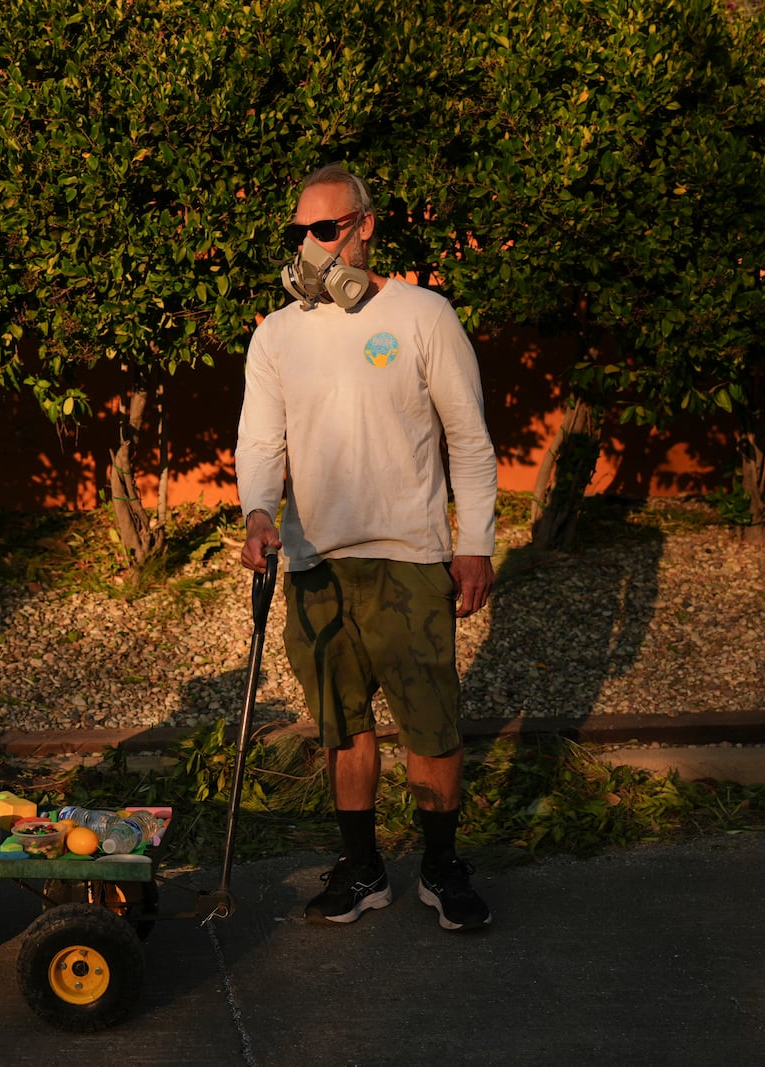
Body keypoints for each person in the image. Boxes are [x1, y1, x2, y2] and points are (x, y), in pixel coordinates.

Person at [235, 163, 498, 930]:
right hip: (316, 562)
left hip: (411, 559)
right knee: (342, 723)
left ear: (364, 224)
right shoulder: (277, 335)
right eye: (299, 234)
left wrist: (474, 542)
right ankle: (363, 870)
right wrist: (258, 514)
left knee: (430, 722)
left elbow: (470, 441)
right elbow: (260, 441)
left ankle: (442, 867)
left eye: (324, 230)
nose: (311, 249)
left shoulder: (423, 315)